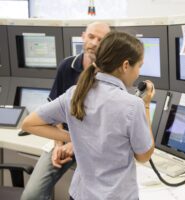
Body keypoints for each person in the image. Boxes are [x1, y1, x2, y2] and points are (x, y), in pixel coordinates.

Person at [22, 31, 155, 200]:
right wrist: (146, 104)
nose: (138, 72)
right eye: (139, 66)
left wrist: (74, 137)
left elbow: (29, 123)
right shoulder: (133, 105)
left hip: (79, 194)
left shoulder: (75, 93)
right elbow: (144, 155)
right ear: (126, 65)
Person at [21, 22, 111, 200]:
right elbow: (54, 113)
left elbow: (108, 125)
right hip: (65, 139)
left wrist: (77, 143)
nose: (94, 42)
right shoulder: (67, 66)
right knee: (31, 195)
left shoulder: (111, 75)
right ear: (83, 36)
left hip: (96, 146)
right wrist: (58, 145)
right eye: (91, 36)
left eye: (101, 40)